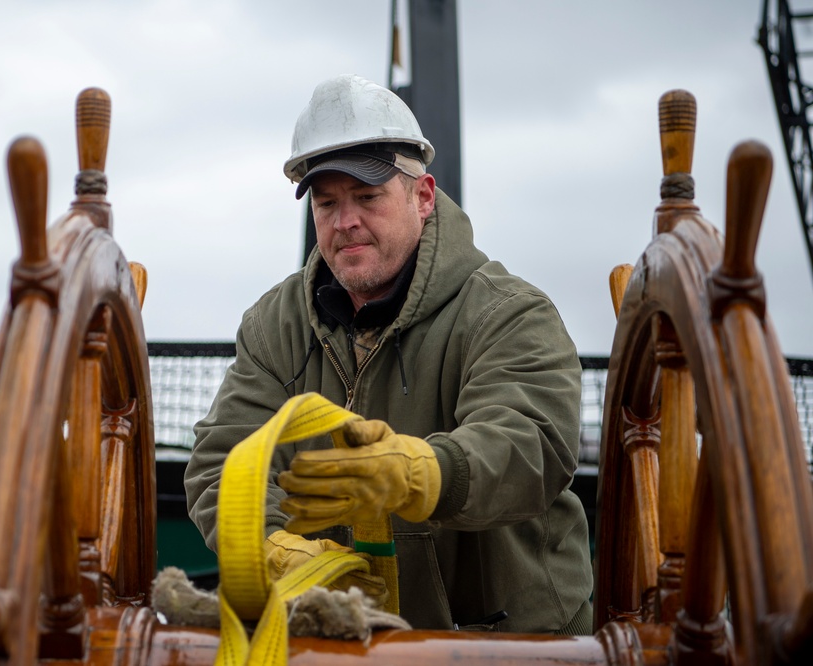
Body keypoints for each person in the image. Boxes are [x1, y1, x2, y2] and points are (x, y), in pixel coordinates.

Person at [184, 73, 593, 634]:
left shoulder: (509, 313)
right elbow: (222, 464)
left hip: (499, 640)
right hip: (342, 636)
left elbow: (531, 446)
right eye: (326, 203)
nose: (345, 221)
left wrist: (422, 473)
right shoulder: (274, 325)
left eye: (368, 197)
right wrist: (277, 549)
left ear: (422, 197)